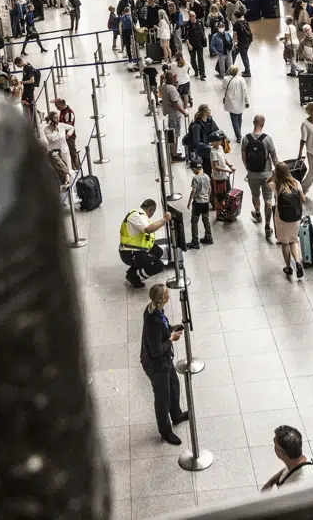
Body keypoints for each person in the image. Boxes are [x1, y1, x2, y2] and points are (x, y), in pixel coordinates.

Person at [139, 284, 189, 445]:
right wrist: (172, 339)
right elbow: (156, 350)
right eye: (167, 294)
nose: (169, 295)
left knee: (174, 386)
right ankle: (165, 431)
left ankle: (177, 415)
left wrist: (172, 329)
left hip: (165, 362)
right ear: (162, 299)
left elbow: (163, 330)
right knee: (162, 398)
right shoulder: (154, 320)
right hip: (156, 365)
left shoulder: (155, 310)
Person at [241, 114, 279, 236]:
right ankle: (267, 226)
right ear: (263, 124)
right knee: (268, 200)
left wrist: (248, 169)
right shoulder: (267, 139)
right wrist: (277, 171)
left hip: (252, 174)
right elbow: (274, 156)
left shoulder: (246, 138)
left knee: (255, 195)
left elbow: (243, 156)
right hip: (267, 175)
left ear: (253, 122)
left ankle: (257, 213)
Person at [119, 199, 170, 288]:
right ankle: (134, 277)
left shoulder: (140, 215)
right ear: (150, 210)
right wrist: (164, 220)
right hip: (129, 253)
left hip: (136, 249)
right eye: (152, 213)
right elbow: (149, 229)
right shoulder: (136, 216)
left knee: (158, 252)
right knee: (158, 266)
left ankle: (133, 270)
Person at [270, 160, 306, 278]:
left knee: (285, 243)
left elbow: (266, 182)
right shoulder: (296, 183)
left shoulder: (276, 184)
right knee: (294, 240)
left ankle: (288, 267)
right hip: (295, 216)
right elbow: (303, 199)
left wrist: (273, 175)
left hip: (281, 217)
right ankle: (297, 263)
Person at [260, 425, 313, 489]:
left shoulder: (298, 486)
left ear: (280, 453)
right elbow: (287, 469)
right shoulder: (300, 457)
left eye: (274, 441)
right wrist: (271, 483)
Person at [186, 158, 214, 247]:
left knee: (194, 222)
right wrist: (207, 198)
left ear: (195, 169)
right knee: (206, 220)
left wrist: (189, 201)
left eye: (192, 169)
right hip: (205, 202)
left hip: (197, 203)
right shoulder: (207, 176)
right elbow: (210, 188)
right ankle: (209, 237)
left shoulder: (195, 178)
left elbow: (193, 190)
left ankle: (195, 241)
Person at [42, 111, 74, 187]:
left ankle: (70, 187)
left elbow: (72, 127)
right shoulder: (46, 129)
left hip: (64, 151)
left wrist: (68, 134)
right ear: (51, 119)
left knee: (69, 170)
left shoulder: (61, 125)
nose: (57, 119)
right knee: (61, 172)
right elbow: (51, 139)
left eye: (57, 117)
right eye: (55, 118)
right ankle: (65, 186)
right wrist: (55, 130)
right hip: (55, 154)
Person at [297, 102, 313, 193]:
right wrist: (300, 152)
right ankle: (302, 189)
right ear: (310, 110)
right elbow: (303, 139)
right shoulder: (305, 124)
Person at [221, 64, 250, 141]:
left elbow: (223, 86)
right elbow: (245, 91)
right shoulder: (241, 79)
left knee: (234, 120)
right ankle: (238, 132)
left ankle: (239, 135)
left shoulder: (226, 79)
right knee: (239, 118)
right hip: (240, 101)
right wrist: (247, 101)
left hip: (231, 102)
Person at [209, 130, 234, 211]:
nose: (220, 141)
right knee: (219, 195)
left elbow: (224, 158)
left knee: (225, 193)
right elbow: (215, 167)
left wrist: (229, 165)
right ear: (213, 142)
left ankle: (224, 209)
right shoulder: (213, 152)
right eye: (218, 140)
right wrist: (227, 170)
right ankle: (219, 211)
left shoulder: (220, 147)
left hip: (224, 175)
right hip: (218, 177)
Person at [231, 11, 253, 77]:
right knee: (238, 54)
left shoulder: (236, 24)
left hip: (241, 43)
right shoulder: (245, 22)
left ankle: (247, 71)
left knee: (243, 56)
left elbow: (234, 35)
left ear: (235, 17)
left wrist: (234, 43)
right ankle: (246, 69)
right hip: (247, 42)